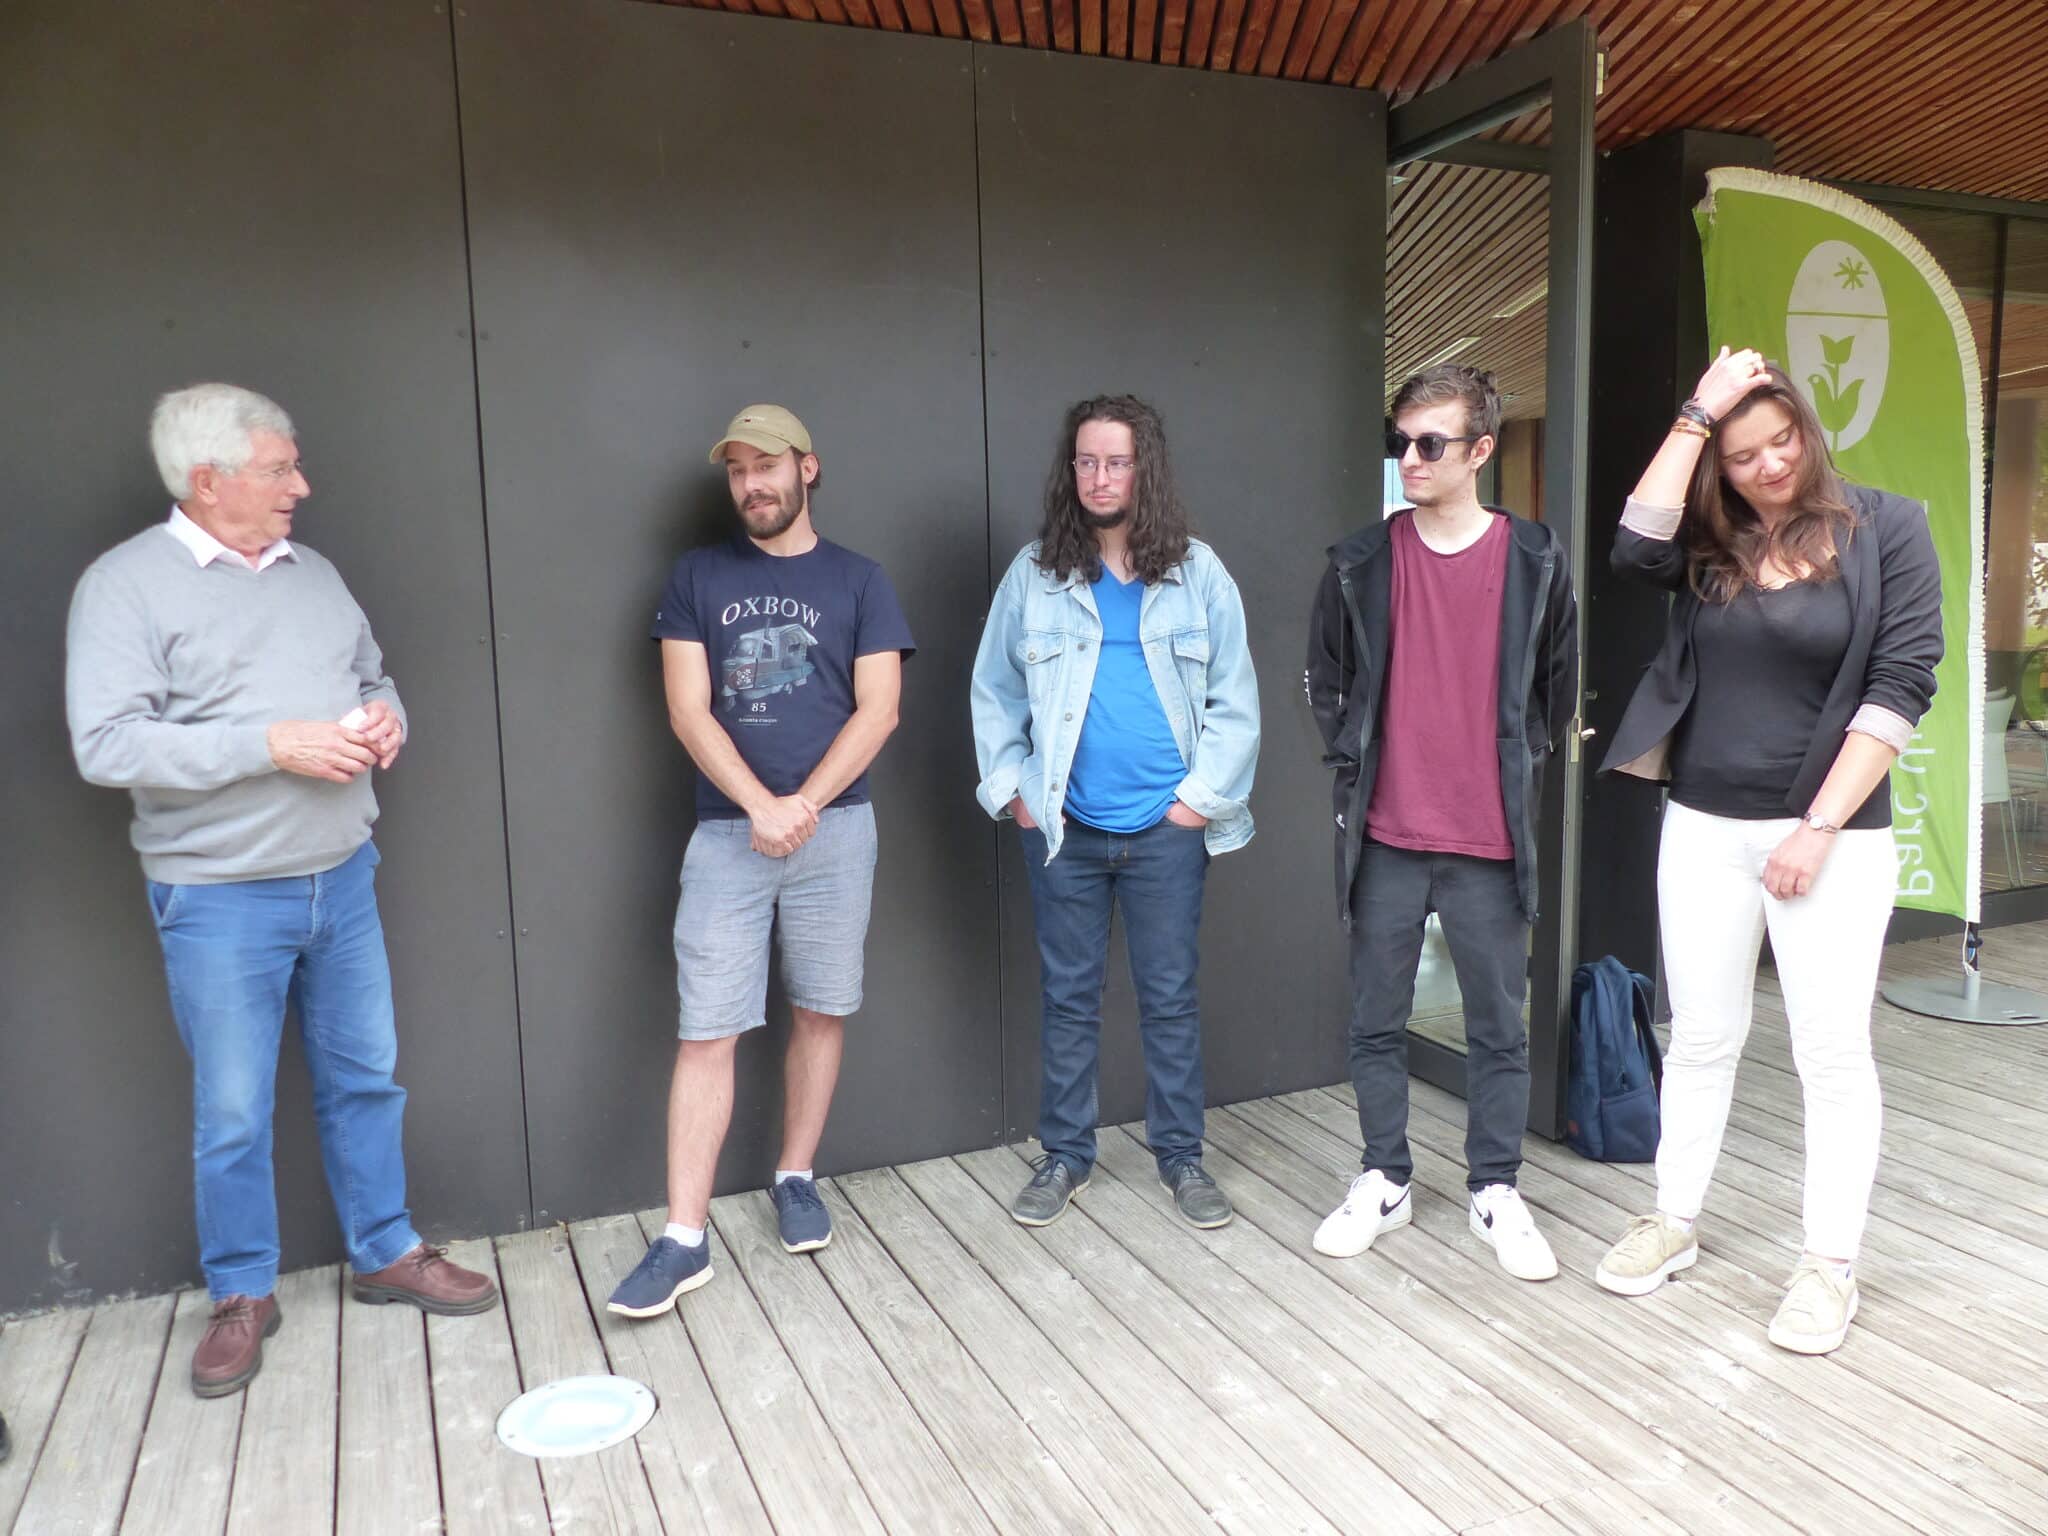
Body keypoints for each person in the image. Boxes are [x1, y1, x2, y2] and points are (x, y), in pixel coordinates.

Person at [65, 383, 499, 1400]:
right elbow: (106, 743)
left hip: (342, 878)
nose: (300, 485)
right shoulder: (123, 586)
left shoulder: (316, 574)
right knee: (231, 1112)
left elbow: (371, 676)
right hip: (218, 897)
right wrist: (270, 745)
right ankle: (241, 1294)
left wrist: (385, 718)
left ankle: (386, 1252)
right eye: (278, 468)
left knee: (366, 1080)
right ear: (207, 481)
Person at [1592, 348, 1942, 1355]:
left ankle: (1827, 1266)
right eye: (1742, 454)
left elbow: (1899, 685)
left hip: (1826, 835)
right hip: (1700, 826)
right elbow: (1630, 545)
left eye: (1778, 438)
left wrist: (1817, 827)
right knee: (1700, 1034)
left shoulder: (1887, 529)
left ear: (1805, 426)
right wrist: (1695, 411)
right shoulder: (1711, 541)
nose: (1767, 465)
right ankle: (1674, 1218)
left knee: (1828, 1053)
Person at [608, 405, 913, 1318]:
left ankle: (795, 1175)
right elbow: (688, 710)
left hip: (838, 830)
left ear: (807, 469)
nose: (752, 484)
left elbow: (880, 710)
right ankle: (684, 1238)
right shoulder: (697, 576)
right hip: (726, 838)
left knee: (822, 1009)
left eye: (767, 465)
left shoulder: (861, 581)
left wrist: (805, 805)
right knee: (708, 1027)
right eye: (738, 470)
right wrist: (760, 808)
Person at [1305, 364, 1577, 1281]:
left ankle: (1493, 1187)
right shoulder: (1360, 561)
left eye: (1431, 444)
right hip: (1385, 834)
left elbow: (1555, 689)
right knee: (1374, 1021)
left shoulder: (1536, 559)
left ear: (1482, 451)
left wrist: (1511, 759)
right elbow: (1328, 680)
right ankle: (1385, 1176)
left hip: (1490, 840)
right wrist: (1355, 757)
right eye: (1402, 441)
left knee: (1500, 1027)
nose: (1411, 459)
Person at [971, 394, 1260, 1230]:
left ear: (1147, 470)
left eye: (1118, 461)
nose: (1101, 477)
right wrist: (1013, 791)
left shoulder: (1198, 573)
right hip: (1065, 828)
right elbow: (993, 691)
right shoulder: (1035, 573)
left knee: (1169, 997)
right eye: (1088, 462)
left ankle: (1182, 1157)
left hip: (1165, 832)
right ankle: (1065, 1154)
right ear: (1073, 472)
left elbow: (1236, 702)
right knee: (1068, 998)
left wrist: (1194, 805)